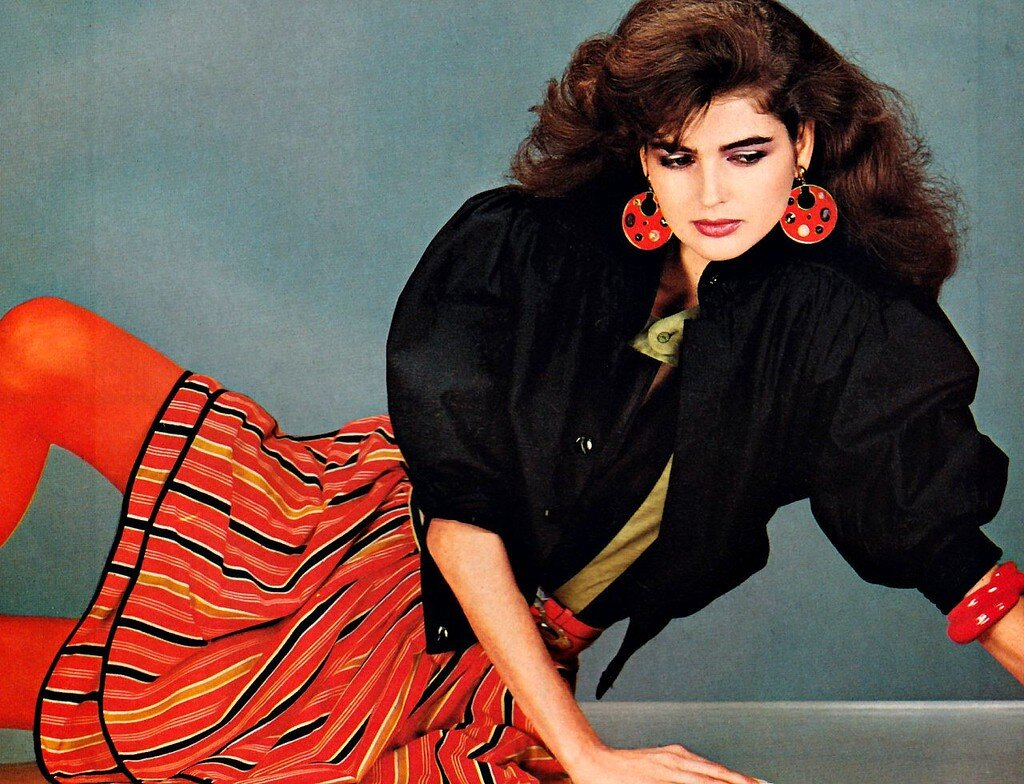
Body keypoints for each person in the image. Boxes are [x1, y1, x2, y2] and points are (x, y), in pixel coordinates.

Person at [0, 1, 1021, 782]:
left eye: (744, 154)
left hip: (465, 658)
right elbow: (459, 523)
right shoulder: (524, 246)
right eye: (676, 157)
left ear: (802, 145)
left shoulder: (846, 329)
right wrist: (585, 753)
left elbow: (945, 552)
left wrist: (568, 745)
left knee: (91, 694)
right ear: (641, 157)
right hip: (365, 532)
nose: (710, 194)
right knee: (42, 341)